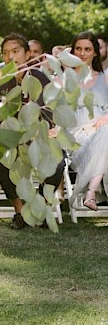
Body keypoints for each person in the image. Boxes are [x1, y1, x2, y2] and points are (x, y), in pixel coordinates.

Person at [0, 33, 60, 229]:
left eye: (15, 51)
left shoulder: (40, 77)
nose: (10, 56)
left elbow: (50, 111)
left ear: (27, 54)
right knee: (4, 164)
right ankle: (20, 212)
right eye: (5, 53)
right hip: (10, 139)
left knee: (58, 163)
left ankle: (42, 208)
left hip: (38, 138)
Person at [66, 31, 108, 212]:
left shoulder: (105, 78)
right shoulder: (64, 78)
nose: (82, 53)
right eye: (78, 49)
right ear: (73, 51)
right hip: (76, 134)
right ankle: (91, 192)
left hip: (103, 129)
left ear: (95, 52)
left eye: (87, 49)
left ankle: (91, 193)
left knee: (105, 132)